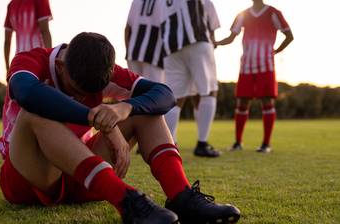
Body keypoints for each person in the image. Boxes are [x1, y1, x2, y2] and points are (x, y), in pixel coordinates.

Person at [0, 32, 240, 224]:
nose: (83, 96)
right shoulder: (31, 60)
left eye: (90, 93)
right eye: (76, 90)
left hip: (82, 175)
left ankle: (182, 197)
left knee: (146, 109)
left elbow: (164, 94)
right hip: (30, 179)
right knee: (33, 112)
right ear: (60, 66)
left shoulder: (105, 71)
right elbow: (26, 92)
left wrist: (125, 108)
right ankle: (126, 200)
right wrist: (97, 119)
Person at [215, 0, 293, 153]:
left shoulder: (273, 13)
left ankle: (266, 144)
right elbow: (231, 37)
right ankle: (238, 142)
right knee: (242, 102)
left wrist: (276, 51)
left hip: (266, 66)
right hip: (247, 66)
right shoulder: (243, 15)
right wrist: (215, 43)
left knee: (267, 101)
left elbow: (289, 36)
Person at [162, 0, 222, 157]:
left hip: (171, 47)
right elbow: (211, 24)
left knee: (174, 98)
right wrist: (212, 43)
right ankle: (202, 143)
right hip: (197, 40)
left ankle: (170, 144)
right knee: (209, 92)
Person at [4, 0, 53, 72]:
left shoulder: (11, 5)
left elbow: (7, 42)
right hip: (38, 59)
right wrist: (49, 60)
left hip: (18, 61)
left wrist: (8, 68)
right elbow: (44, 31)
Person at [125, 0, 165, 83]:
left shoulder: (136, 1)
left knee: (135, 90)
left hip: (133, 52)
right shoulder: (164, 2)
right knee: (154, 92)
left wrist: (128, 50)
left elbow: (127, 28)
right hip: (154, 54)